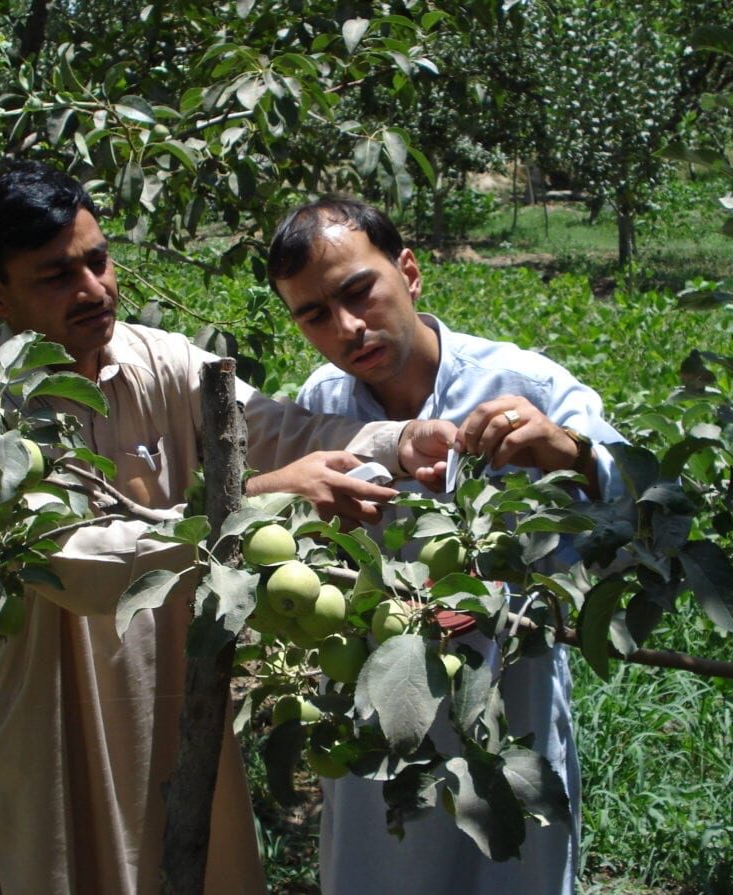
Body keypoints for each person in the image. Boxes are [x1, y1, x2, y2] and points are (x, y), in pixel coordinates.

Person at [0, 163, 455, 895]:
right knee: (50, 857)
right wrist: (259, 504)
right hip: (38, 713)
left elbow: (276, 429)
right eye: (55, 275)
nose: (93, 288)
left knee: (187, 854)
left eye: (98, 259)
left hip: (165, 691)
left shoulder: (160, 359)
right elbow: (64, 559)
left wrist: (397, 442)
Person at [267, 195, 627, 895]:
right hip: (377, 707)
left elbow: (632, 509)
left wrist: (570, 453)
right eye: (314, 314)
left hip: (505, 703)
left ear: (408, 271)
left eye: (357, 291)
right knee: (381, 868)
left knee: (511, 865)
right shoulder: (322, 403)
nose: (346, 327)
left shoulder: (525, 387)